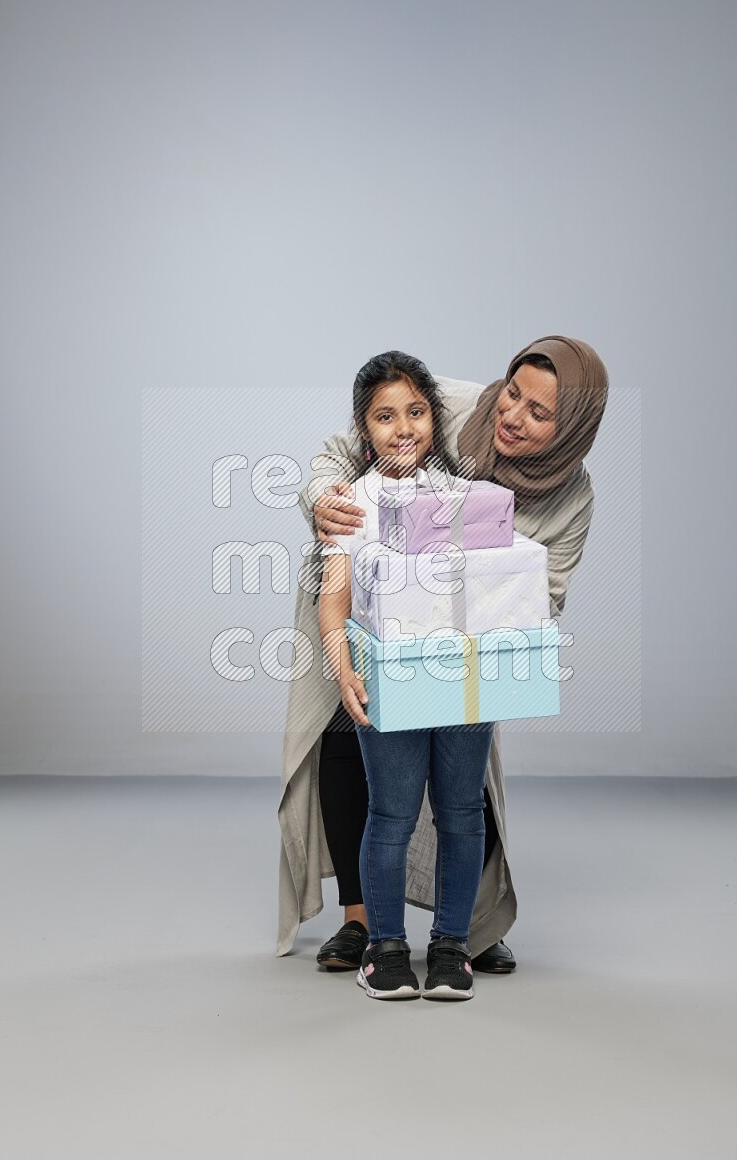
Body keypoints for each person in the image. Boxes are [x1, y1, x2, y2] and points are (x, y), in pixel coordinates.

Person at [277, 337, 609, 978]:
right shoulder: (447, 407)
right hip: (365, 624)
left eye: (540, 414)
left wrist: (484, 600)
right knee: (354, 750)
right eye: (513, 393)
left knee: (465, 791)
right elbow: (340, 454)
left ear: (571, 431)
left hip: (466, 647)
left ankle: (468, 929)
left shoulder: (561, 498)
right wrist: (327, 501)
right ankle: (364, 923)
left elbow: (545, 594)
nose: (512, 416)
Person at [316, 351, 496, 999]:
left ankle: (451, 946)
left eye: (416, 412)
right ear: (365, 430)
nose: (404, 428)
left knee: (461, 811)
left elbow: (494, 587)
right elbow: (333, 596)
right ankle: (386, 947)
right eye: (385, 417)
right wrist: (343, 668)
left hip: (462, 676)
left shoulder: (469, 498)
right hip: (387, 676)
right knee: (390, 813)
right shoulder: (352, 504)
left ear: (434, 418)